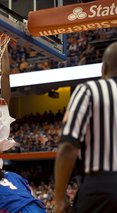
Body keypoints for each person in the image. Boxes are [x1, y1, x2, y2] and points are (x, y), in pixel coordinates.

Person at [54, 42, 117, 213]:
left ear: (103, 69)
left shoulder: (89, 90)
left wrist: (59, 199)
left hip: (103, 187)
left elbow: (68, 146)